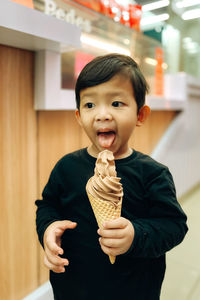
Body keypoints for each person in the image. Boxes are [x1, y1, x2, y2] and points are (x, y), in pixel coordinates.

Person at [35, 53, 188, 300]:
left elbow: (174, 225)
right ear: (78, 116)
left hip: (134, 290)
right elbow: (47, 205)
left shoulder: (153, 174)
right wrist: (48, 228)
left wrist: (136, 235)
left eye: (116, 103)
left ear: (140, 115)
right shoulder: (66, 167)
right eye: (89, 105)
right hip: (72, 288)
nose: (102, 114)